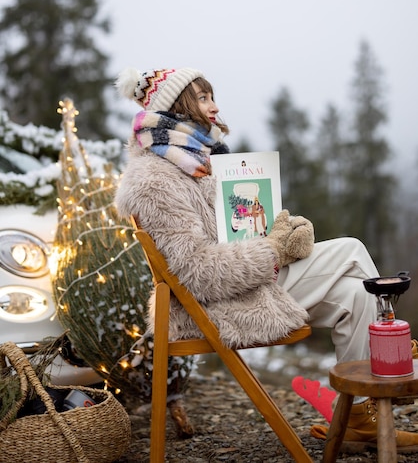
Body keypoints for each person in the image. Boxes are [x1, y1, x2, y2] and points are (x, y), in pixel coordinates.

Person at [114, 66, 418, 453]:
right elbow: (197, 272)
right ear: (176, 105)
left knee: (358, 296)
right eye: (204, 97)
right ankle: (391, 347)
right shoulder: (155, 181)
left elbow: (230, 234)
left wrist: (278, 229)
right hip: (211, 305)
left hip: (240, 284)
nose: (214, 106)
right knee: (352, 248)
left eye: (212, 96)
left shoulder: (197, 162)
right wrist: (273, 249)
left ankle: (359, 420)